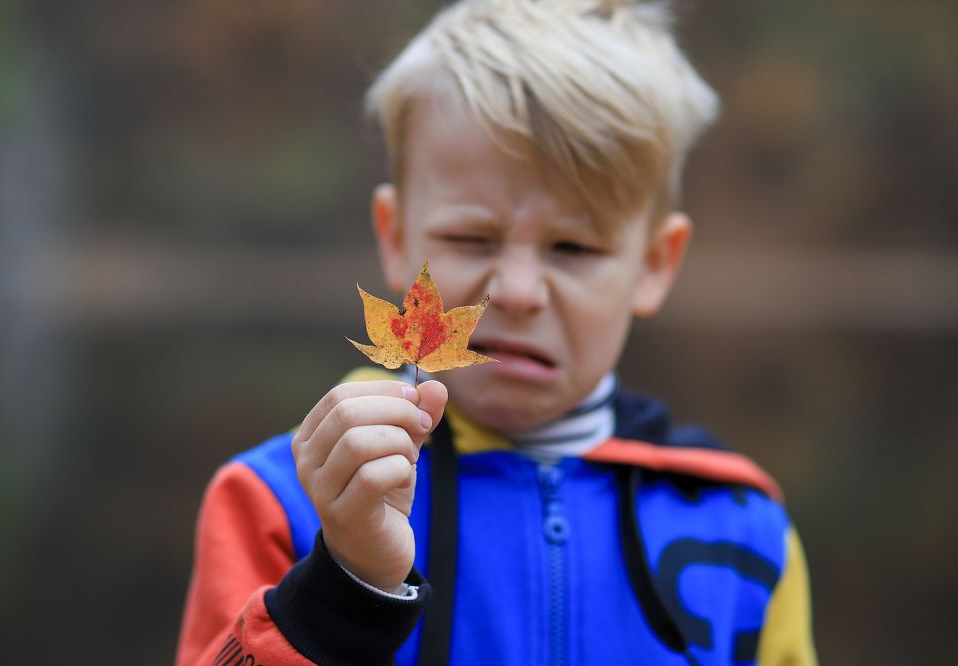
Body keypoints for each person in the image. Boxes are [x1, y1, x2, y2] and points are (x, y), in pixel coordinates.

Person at [177, 1, 817, 664]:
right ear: (395, 238)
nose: (516, 291)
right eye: (470, 237)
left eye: (574, 248)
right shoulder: (281, 501)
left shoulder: (741, 528)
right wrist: (346, 584)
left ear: (655, 265)